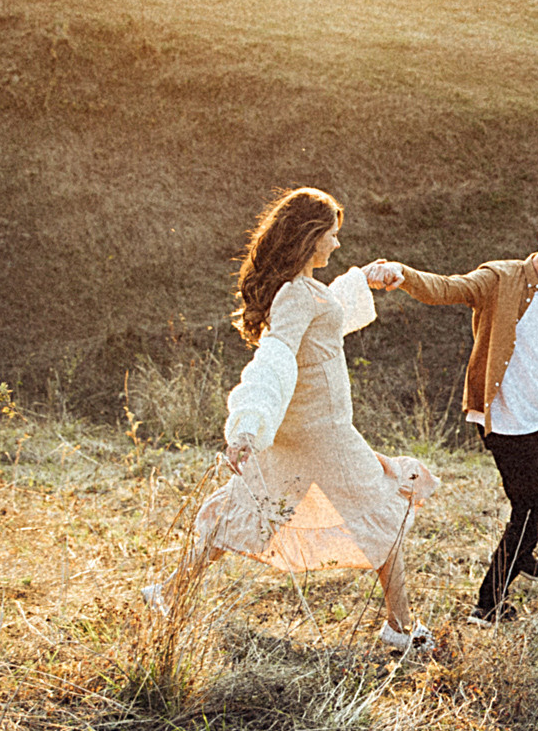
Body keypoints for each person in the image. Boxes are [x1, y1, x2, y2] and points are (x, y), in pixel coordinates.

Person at [147, 188, 438, 653]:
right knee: (386, 507)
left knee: (243, 509)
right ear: (310, 236)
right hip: (322, 435)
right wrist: (248, 424)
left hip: (313, 430)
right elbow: (275, 357)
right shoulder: (294, 296)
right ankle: (400, 628)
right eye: (332, 235)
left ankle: (168, 591)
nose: (337, 244)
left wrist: (362, 279)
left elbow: (328, 314)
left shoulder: (304, 290)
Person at [367, 216, 538, 626]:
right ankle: (488, 604)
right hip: (507, 422)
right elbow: (448, 288)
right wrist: (403, 274)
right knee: (527, 510)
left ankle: (522, 549)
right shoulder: (500, 279)